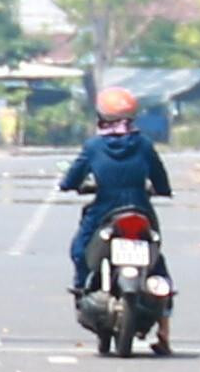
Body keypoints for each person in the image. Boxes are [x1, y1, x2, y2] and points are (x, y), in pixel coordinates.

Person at [57, 86, 171, 289]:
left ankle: (81, 287)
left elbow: (72, 178)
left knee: (79, 250)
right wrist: (163, 190)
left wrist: (68, 185)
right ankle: (165, 295)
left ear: (101, 116)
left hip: (105, 208)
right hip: (141, 207)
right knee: (154, 249)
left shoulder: (94, 146)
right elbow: (160, 177)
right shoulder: (144, 144)